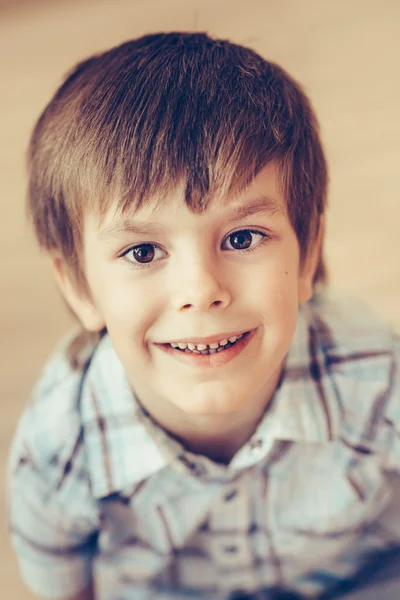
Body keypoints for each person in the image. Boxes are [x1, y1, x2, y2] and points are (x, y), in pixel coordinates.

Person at [7, 32, 400, 600]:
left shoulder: (378, 378)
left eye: (242, 237)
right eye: (142, 252)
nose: (201, 290)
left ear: (309, 249)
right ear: (78, 286)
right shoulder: (58, 445)